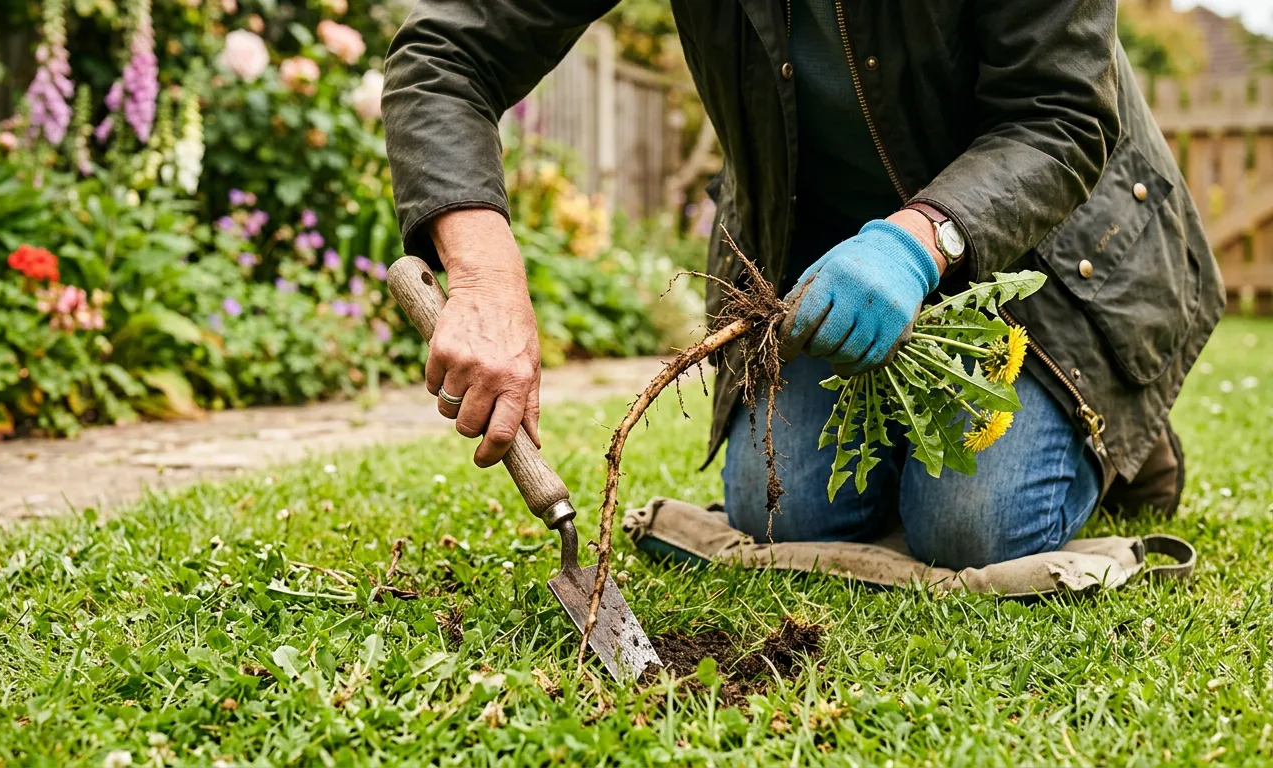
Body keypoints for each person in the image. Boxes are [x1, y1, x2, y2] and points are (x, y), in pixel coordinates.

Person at [381, 1, 1223, 569]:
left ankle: (1114, 426)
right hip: (816, 268)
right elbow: (449, 50)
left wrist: (918, 239)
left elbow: (1062, 113)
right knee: (780, 509)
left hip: (1040, 248)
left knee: (974, 527)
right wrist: (483, 275)